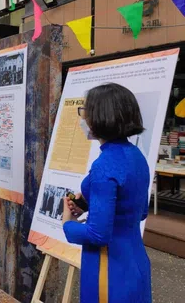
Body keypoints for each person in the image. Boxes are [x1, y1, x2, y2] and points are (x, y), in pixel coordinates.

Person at [62, 83, 151, 303]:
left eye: (85, 111)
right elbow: (139, 212)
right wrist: (90, 203)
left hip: (108, 265)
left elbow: (98, 234)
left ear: (100, 117)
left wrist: (68, 224)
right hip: (134, 258)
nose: (83, 118)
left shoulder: (105, 164)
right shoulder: (136, 155)